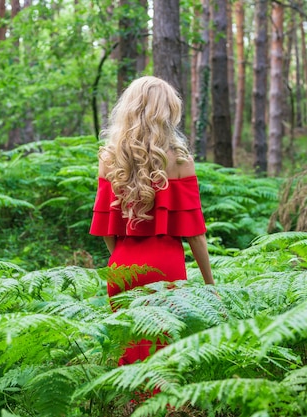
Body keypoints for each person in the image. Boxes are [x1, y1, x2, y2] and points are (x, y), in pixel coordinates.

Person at [89, 76, 215, 365]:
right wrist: (211, 287)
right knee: (163, 362)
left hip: (121, 268)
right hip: (166, 266)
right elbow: (195, 234)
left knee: (130, 358)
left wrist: (121, 260)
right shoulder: (181, 160)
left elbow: (106, 228)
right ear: (168, 111)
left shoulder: (109, 158)